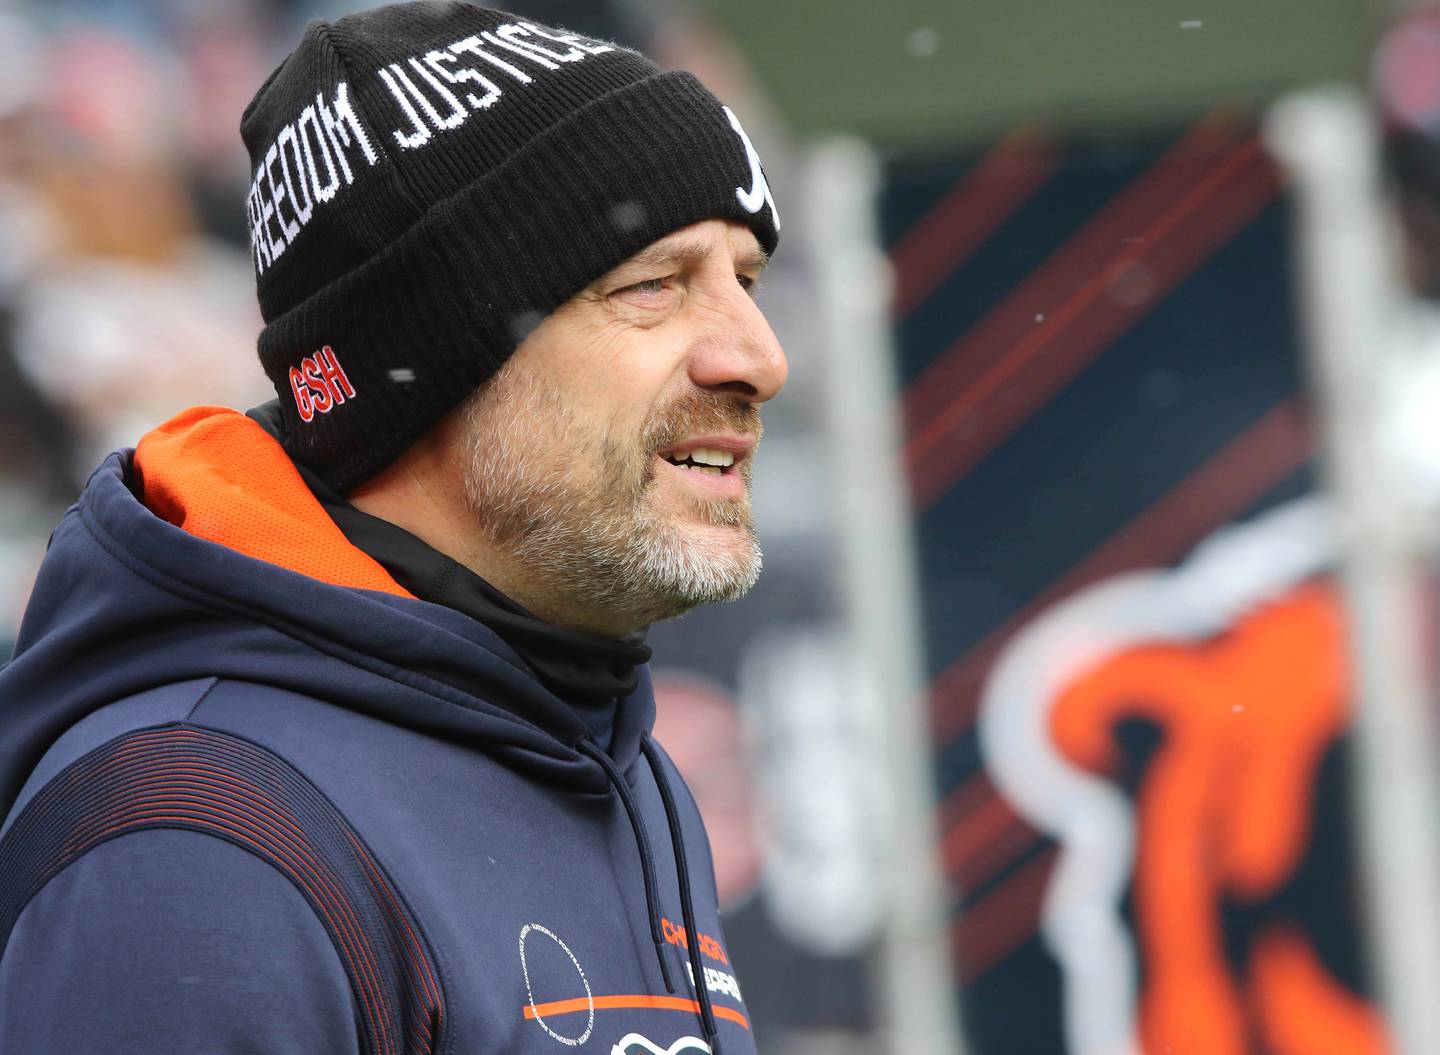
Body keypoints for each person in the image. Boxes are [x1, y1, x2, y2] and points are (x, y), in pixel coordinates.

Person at [0, 4, 786, 1054]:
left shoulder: (608, 754)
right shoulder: (199, 848)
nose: (760, 356)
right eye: (653, 284)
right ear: (434, 360)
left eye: (747, 279)